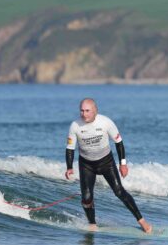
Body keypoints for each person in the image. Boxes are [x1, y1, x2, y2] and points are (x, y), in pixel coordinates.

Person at [65, 98, 152, 233]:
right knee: (86, 197)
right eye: (82, 111)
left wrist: (123, 164)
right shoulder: (75, 126)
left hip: (106, 162)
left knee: (119, 191)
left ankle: (142, 221)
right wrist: (69, 167)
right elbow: (70, 148)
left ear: (95, 111)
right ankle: (92, 224)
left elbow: (119, 142)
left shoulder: (105, 122)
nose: (84, 114)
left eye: (87, 111)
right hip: (86, 164)